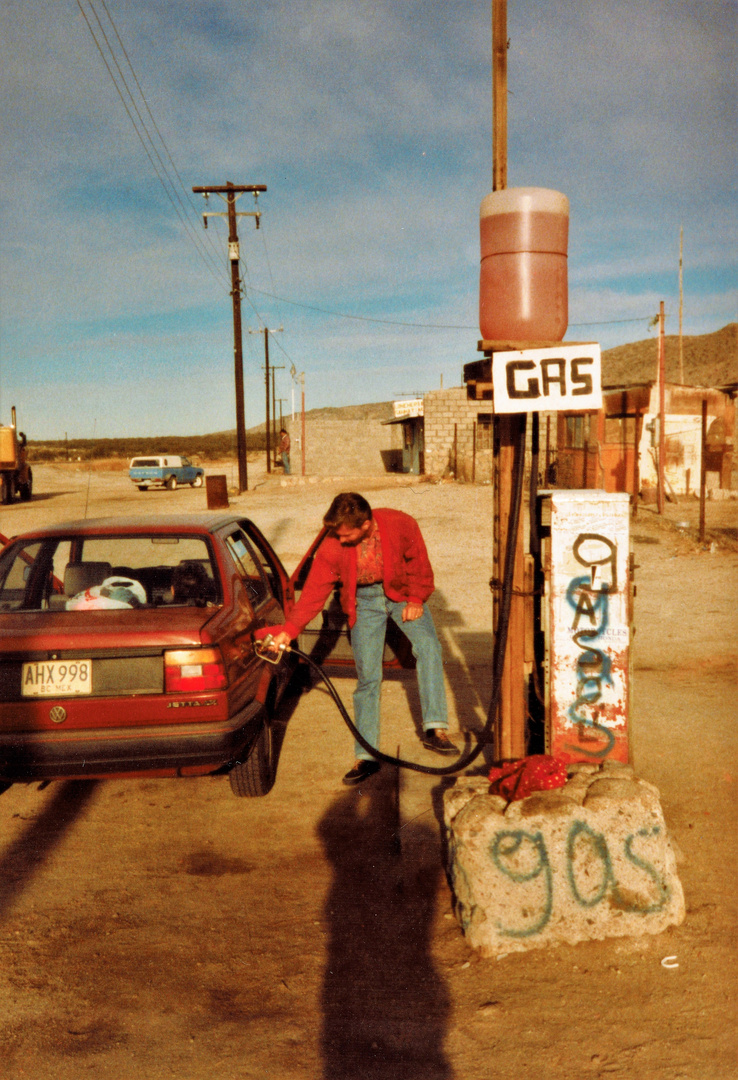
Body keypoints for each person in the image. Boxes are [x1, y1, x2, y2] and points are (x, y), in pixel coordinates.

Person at [256, 492, 458, 785]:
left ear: (366, 524)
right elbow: (313, 594)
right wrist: (289, 630)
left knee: (429, 647)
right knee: (368, 677)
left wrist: (416, 598)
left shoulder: (400, 523)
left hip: (402, 595)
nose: (341, 539)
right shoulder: (332, 545)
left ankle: (435, 730)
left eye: (346, 534)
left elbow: (419, 564)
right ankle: (365, 755)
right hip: (363, 602)